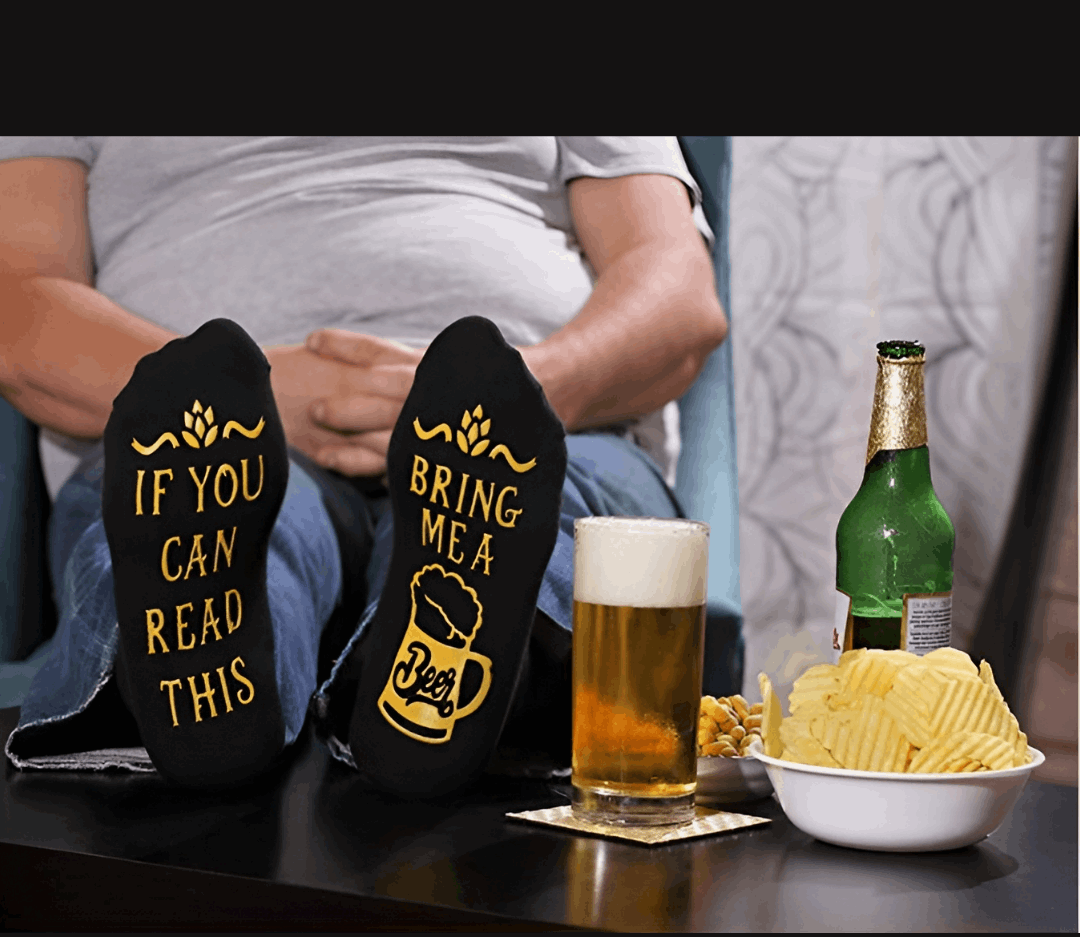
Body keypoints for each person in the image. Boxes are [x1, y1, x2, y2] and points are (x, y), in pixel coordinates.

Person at [0, 137, 728, 789]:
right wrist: (259, 397)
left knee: (539, 505)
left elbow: (676, 293)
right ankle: (442, 690)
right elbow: (19, 304)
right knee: (216, 499)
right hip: (228, 435)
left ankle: (204, 689)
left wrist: (524, 394)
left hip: (544, 426)